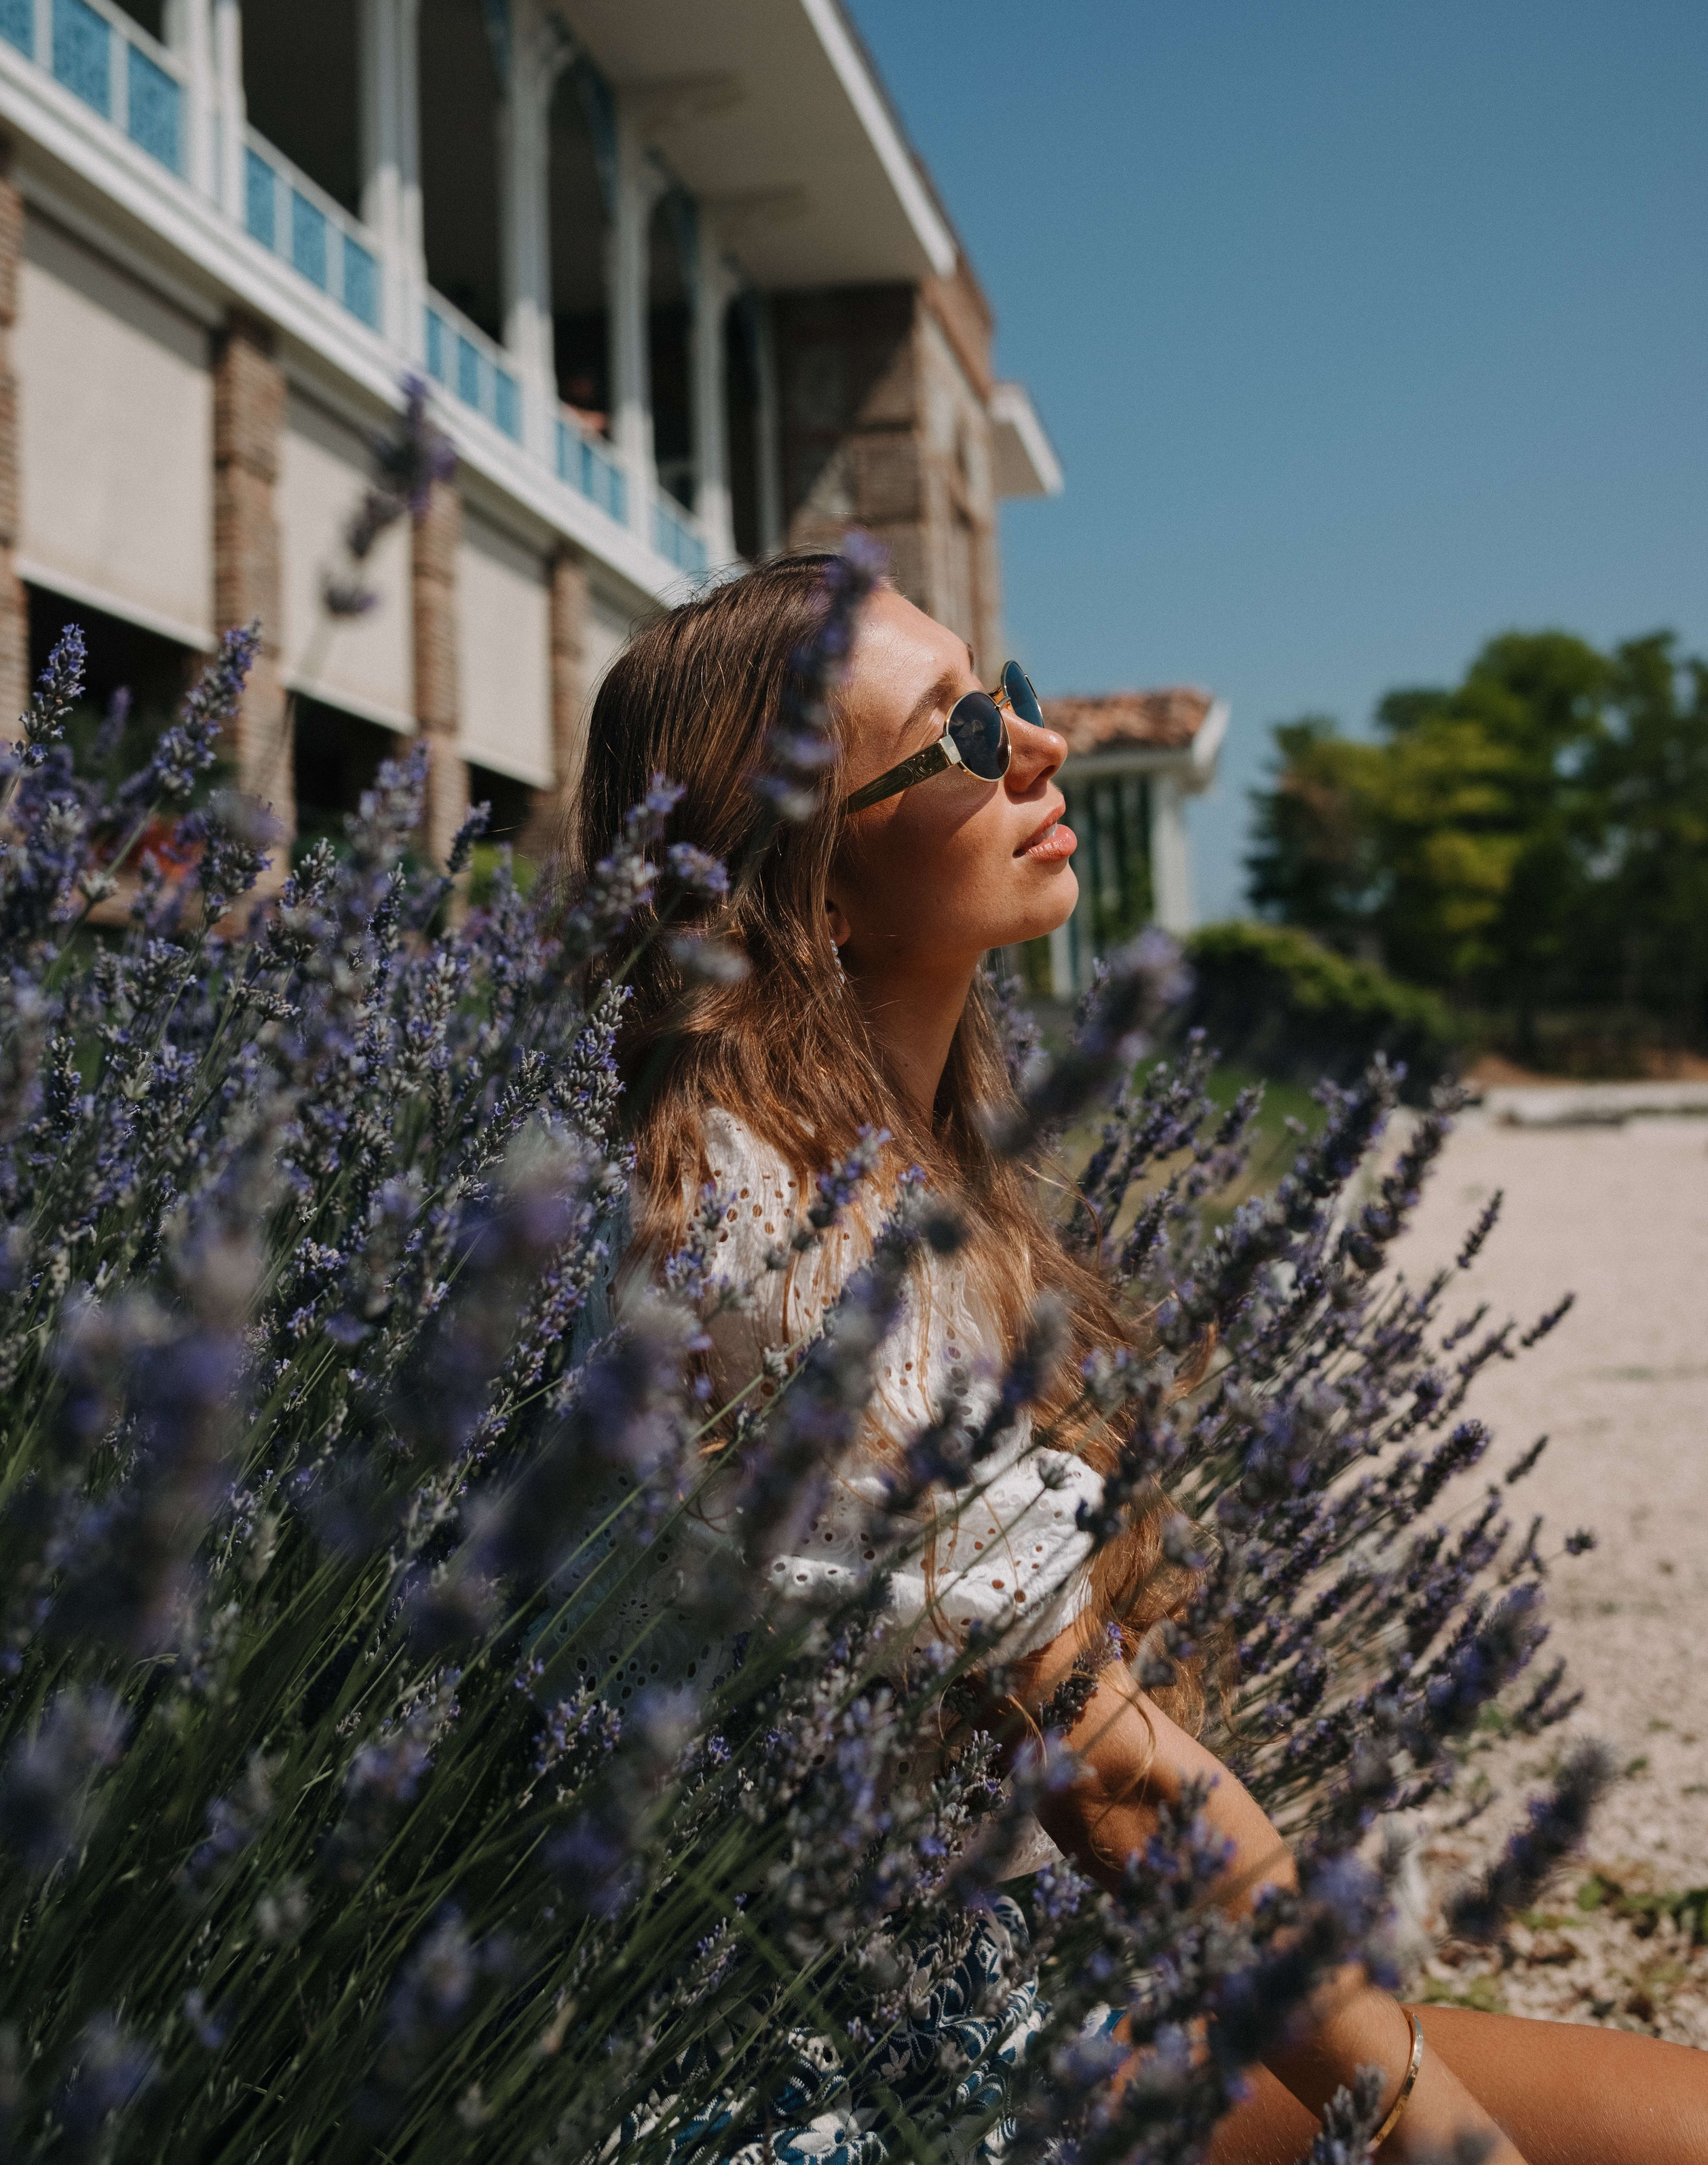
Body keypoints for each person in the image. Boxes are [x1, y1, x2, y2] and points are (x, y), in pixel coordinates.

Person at [573, 551, 1708, 2164]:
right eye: (959, 736)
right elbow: (1105, 1780)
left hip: (1007, 2001)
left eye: (1007, 700)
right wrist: (1429, 2133)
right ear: (814, 882)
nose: (1037, 746)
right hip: (854, 2098)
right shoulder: (771, 1235)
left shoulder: (884, 1166)